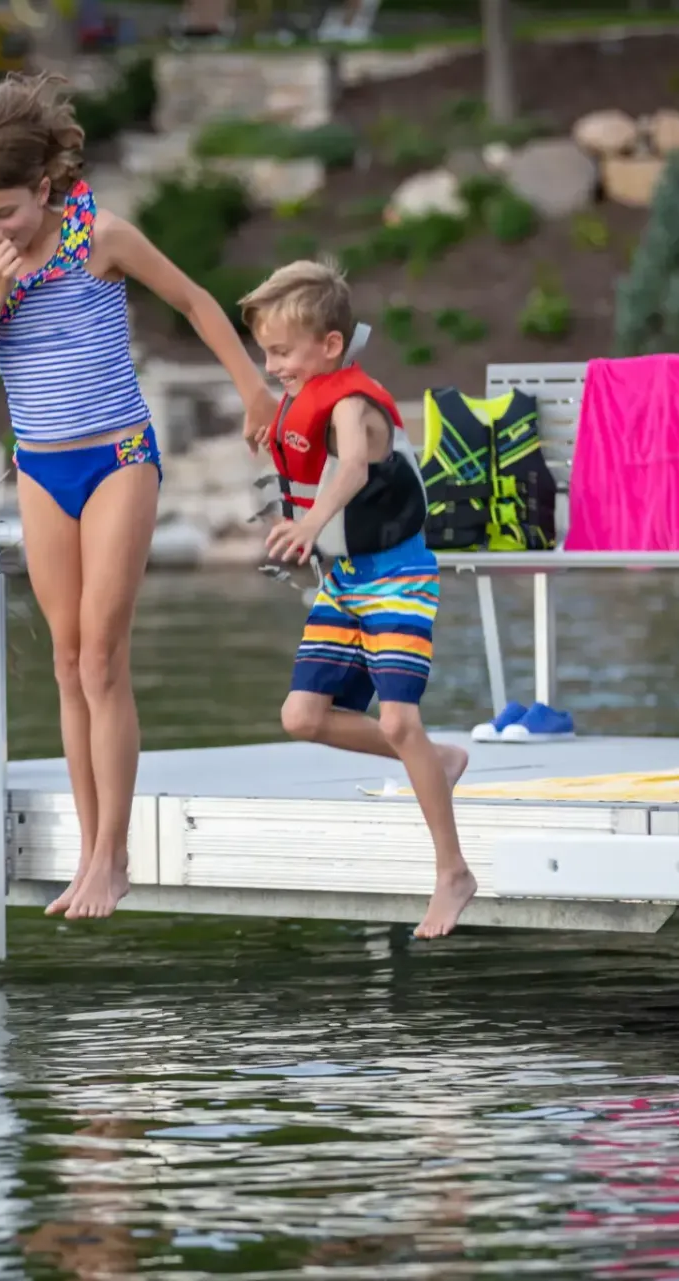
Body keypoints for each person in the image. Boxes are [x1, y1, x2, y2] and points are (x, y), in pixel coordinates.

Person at [0, 72, 279, 921]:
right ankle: (90, 854)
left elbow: (197, 301)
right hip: (43, 466)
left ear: (44, 190)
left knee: (101, 655)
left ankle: (112, 856)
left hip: (119, 456)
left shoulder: (102, 236)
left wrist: (255, 391)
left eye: (5, 212)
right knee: (63, 660)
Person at [240, 260, 477, 939]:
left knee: (402, 723)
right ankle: (439, 760)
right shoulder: (304, 395)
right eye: (267, 351)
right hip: (346, 583)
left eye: (282, 352)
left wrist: (311, 521)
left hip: (398, 578)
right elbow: (304, 452)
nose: (273, 364)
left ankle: (452, 871)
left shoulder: (351, 404)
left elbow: (349, 464)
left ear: (331, 347)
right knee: (302, 715)